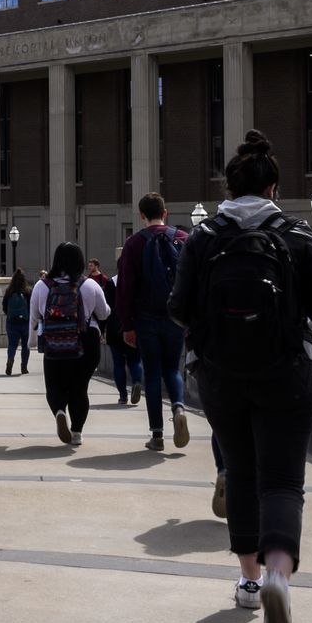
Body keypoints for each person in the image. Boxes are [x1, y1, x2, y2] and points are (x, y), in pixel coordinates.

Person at [170, 130, 312, 623]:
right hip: (286, 372)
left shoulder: (203, 237)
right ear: (273, 188)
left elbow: (178, 308)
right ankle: (279, 578)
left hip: (221, 376)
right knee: (283, 481)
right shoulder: (299, 233)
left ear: (228, 188)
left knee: (241, 473)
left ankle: (248, 580)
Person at [117, 193, 191, 452]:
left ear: (141, 215)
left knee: (152, 372)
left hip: (146, 318)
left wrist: (127, 325)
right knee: (172, 369)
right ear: (165, 212)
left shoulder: (134, 244)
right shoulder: (182, 239)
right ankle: (179, 407)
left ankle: (157, 434)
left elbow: (125, 288)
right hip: (175, 318)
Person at [30, 242, 110, 445]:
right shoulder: (90, 285)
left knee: (54, 385)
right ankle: (76, 433)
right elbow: (104, 312)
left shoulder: (42, 286)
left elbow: (35, 317)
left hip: (55, 340)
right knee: (79, 388)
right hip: (86, 340)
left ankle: (59, 412)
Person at [92, 257, 143, 404]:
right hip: (133, 326)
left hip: (115, 327)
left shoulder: (111, 283)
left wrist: (101, 329)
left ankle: (123, 396)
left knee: (118, 363)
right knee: (135, 360)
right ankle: (137, 382)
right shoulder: (139, 283)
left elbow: (105, 309)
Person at [0, 269, 31, 376]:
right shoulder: (27, 291)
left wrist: (10, 315)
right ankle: (24, 367)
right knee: (25, 345)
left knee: (12, 345)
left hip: (12, 323)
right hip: (25, 323)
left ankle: (10, 361)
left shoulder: (9, 292)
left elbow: (4, 306)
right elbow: (31, 307)